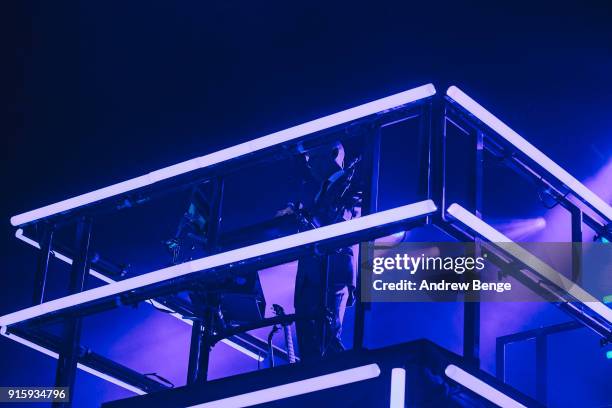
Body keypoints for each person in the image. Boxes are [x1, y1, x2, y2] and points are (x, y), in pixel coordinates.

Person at [277, 141, 361, 361]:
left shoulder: (352, 184)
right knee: (310, 344)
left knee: (327, 340)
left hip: (331, 272)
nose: (309, 165)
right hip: (310, 274)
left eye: (312, 158)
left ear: (333, 155)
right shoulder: (322, 189)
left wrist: (302, 217)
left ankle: (335, 385)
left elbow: (341, 222)